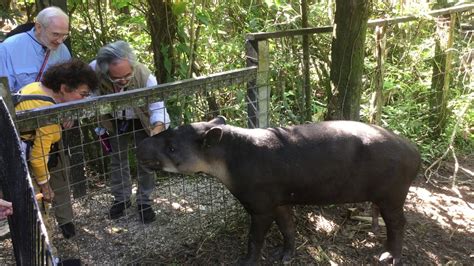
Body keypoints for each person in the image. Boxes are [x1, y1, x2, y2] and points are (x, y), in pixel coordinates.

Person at [16, 59, 98, 239]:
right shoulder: (48, 112)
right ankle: (45, 245)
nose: (84, 99)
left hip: (19, 151)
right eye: (82, 94)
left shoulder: (36, 88)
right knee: (39, 209)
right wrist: (45, 187)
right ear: (64, 88)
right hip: (24, 160)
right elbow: (38, 158)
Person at [90, 40, 170, 224]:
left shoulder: (145, 76)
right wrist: (100, 125)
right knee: (117, 160)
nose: (124, 80)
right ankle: (121, 199)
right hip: (114, 120)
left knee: (146, 161)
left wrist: (156, 132)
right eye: (117, 78)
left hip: (142, 119)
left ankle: (145, 202)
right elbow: (90, 99)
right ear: (105, 71)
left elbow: (158, 107)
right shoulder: (94, 71)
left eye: (127, 75)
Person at [0, 6, 71, 92]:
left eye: (64, 35)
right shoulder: (8, 48)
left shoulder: (63, 50)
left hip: (54, 104)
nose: (60, 41)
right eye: (55, 34)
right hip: (21, 104)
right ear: (39, 28)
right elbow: (5, 93)